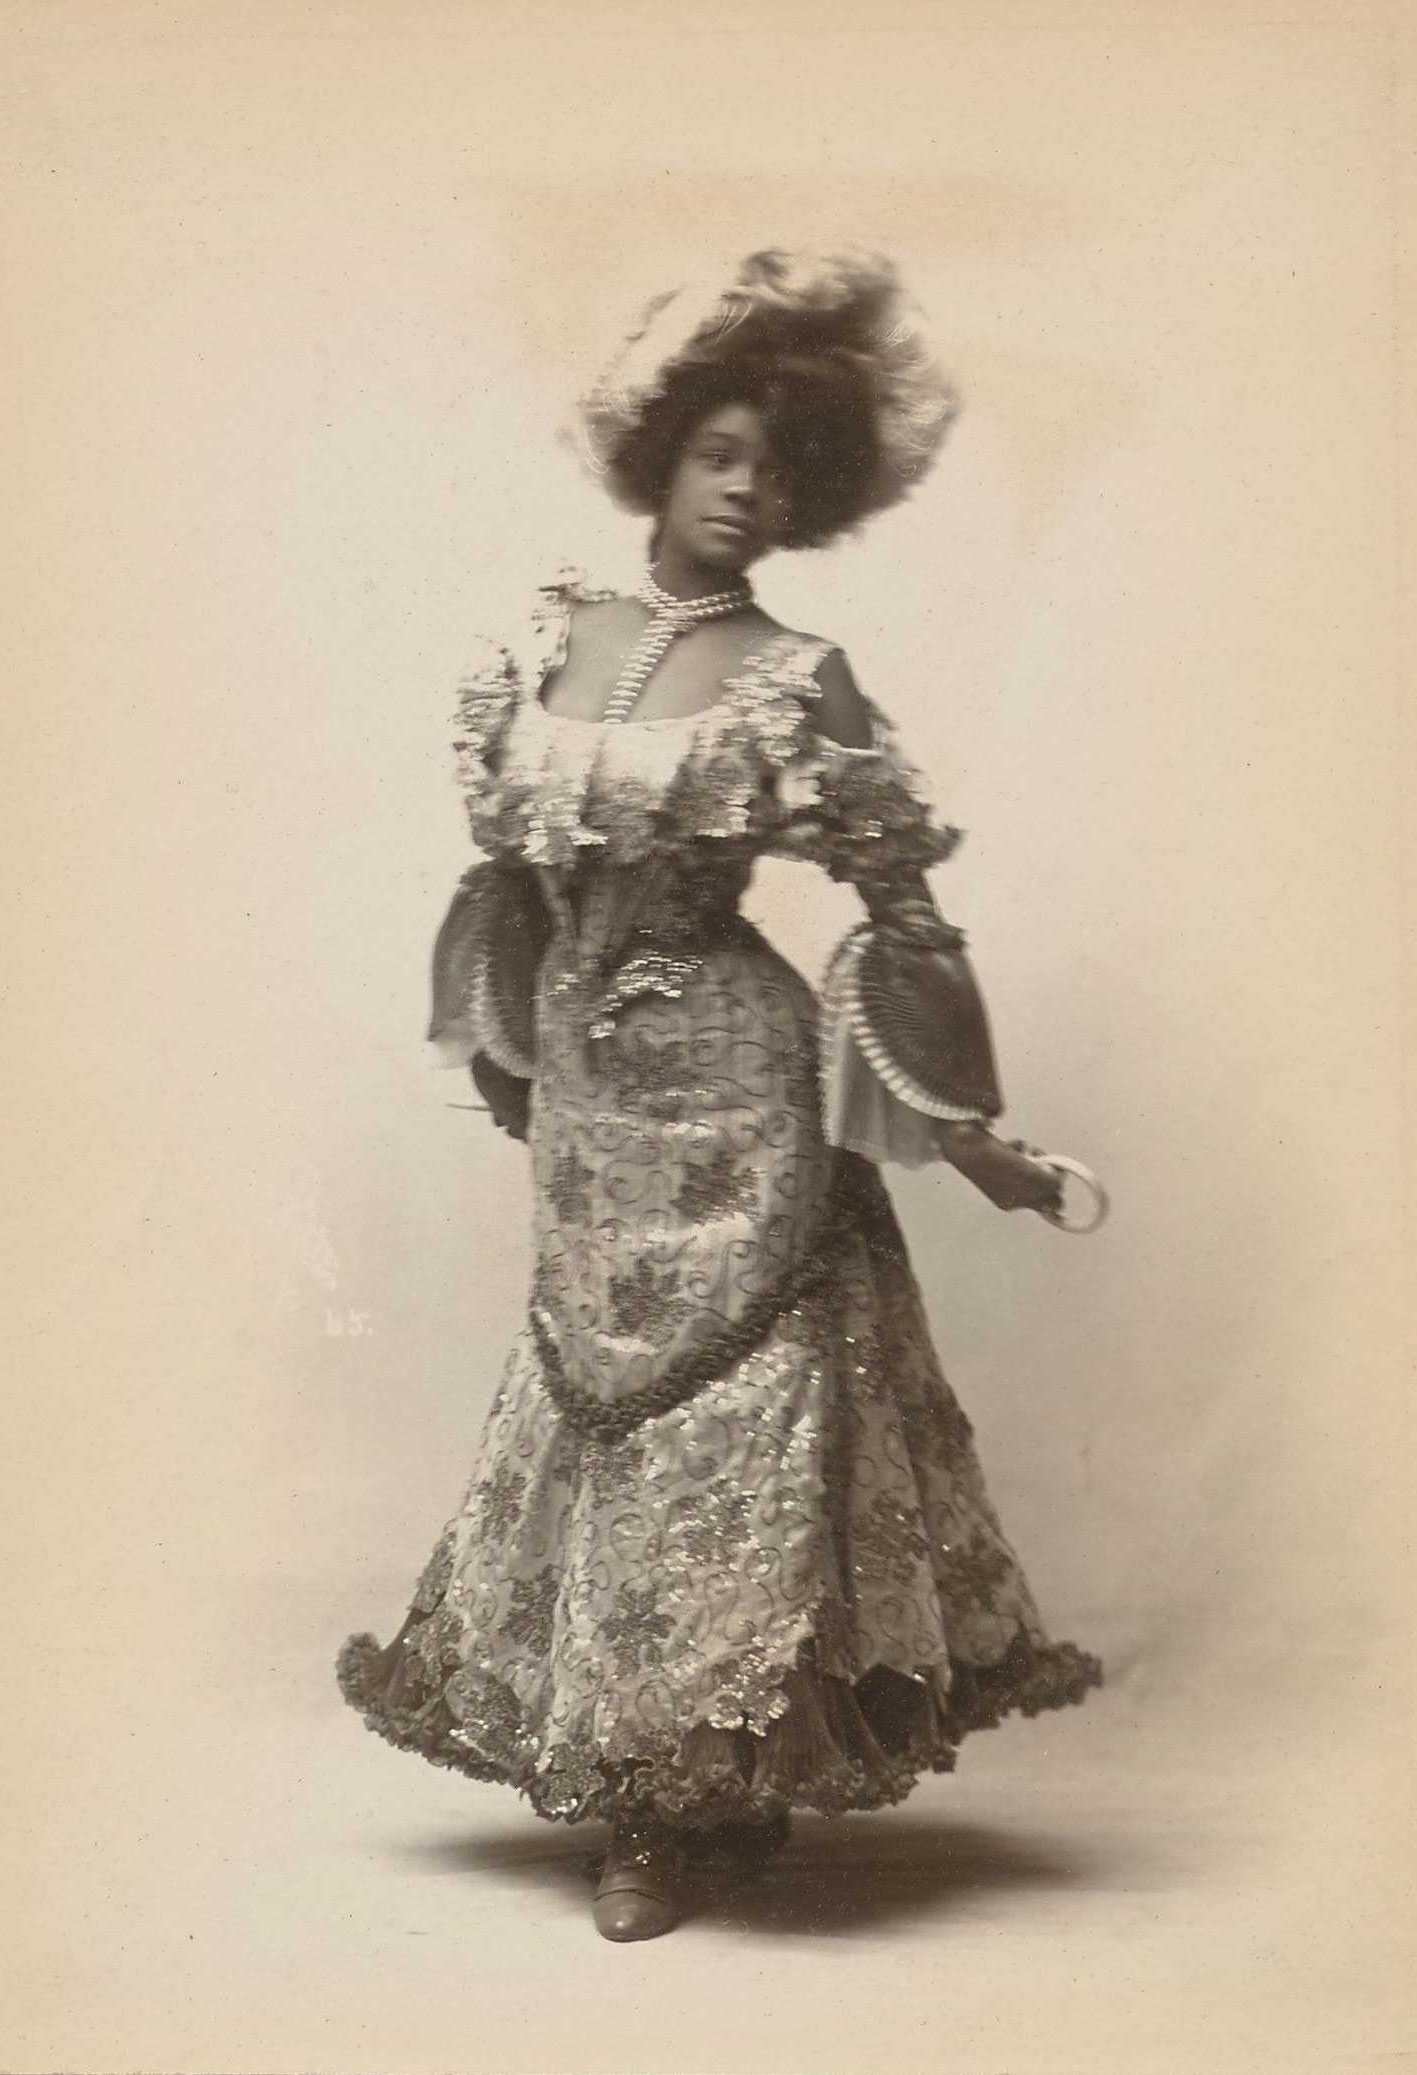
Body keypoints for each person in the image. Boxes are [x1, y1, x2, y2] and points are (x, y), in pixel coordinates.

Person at [337, 247, 1104, 1942]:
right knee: (598, 1402)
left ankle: (676, 1814)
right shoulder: (550, 639)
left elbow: (902, 904)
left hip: (739, 1082)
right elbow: (509, 882)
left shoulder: (795, 678)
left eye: (783, 467)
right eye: (723, 456)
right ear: (664, 456)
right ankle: (645, 1772)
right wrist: (500, 1051)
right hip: (590, 1095)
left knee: (740, 1416)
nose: (751, 491)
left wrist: (974, 1143)